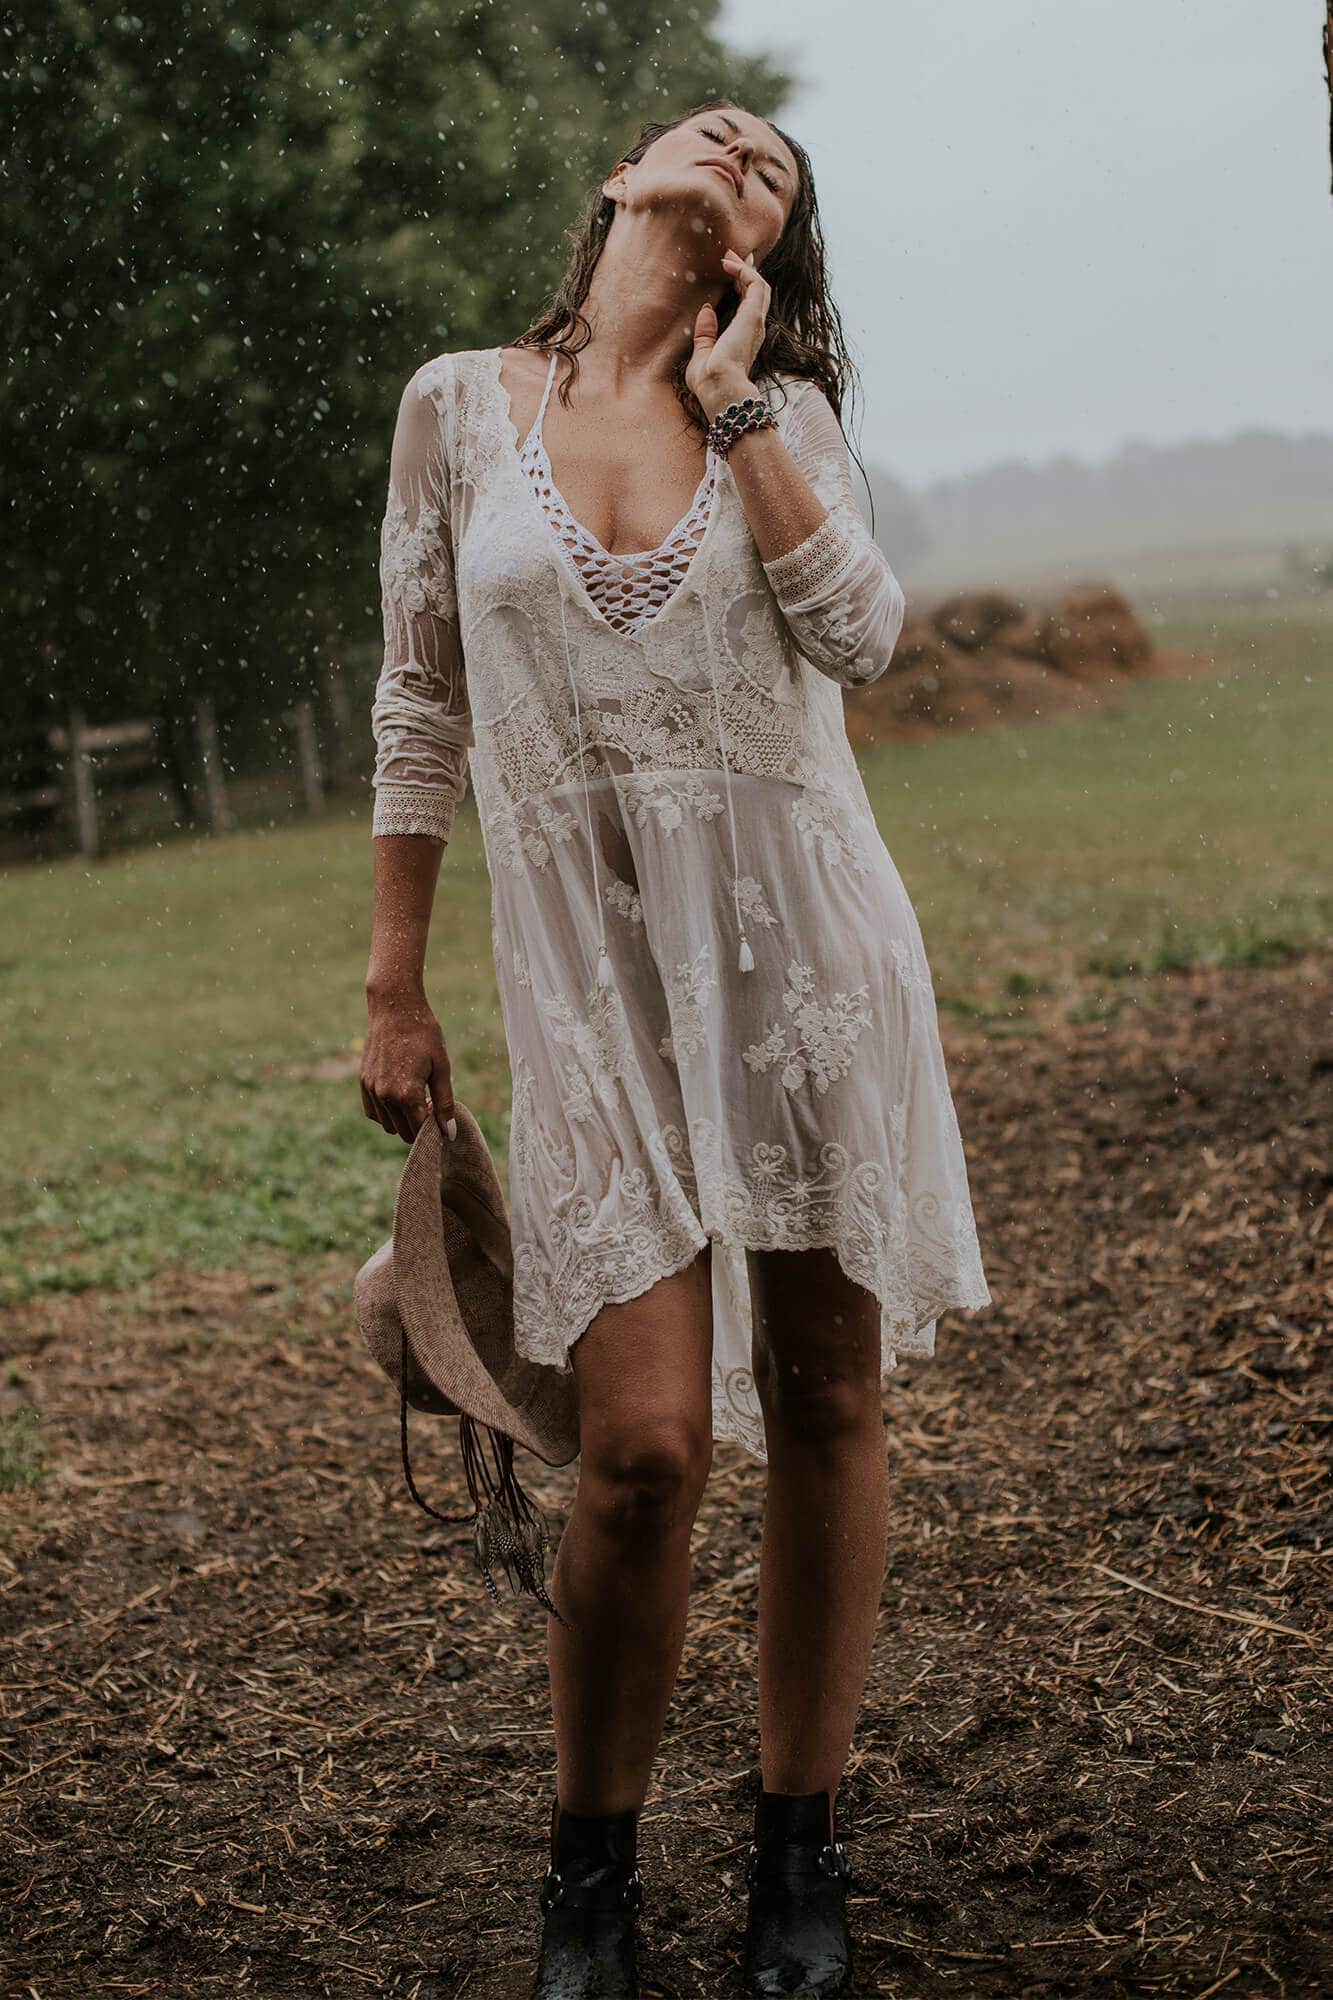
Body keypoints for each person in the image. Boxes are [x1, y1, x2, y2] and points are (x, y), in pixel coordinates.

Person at [360, 97, 992, 2000]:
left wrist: (735, 412)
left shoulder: (776, 416)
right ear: (618, 181)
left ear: (763, 252)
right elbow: (417, 698)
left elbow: (861, 637)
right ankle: (590, 1885)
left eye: (774, 170)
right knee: (637, 1452)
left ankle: (802, 1850)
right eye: (709, 131)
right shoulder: (455, 409)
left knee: (824, 1406)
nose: (739, 149)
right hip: (588, 996)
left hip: (805, 965)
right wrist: (393, 981)